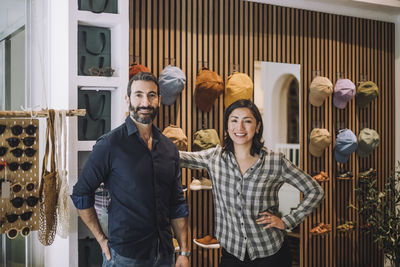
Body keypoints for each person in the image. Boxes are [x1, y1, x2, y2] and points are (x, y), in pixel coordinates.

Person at [180, 99, 324, 267]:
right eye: (234, 120)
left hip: (270, 252)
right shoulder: (214, 158)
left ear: (257, 127)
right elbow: (177, 157)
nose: (240, 128)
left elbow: (315, 191)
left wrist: (287, 221)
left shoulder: (275, 162)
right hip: (232, 253)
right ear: (227, 126)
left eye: (247, 121)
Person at [71, 72, 190, 267]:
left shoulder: (169, 149)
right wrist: (101, 240)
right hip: (125, 257)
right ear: (127, 99)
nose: (145, 102)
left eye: (151, 95)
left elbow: (177, 203)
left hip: (165, 254)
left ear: (159, 100)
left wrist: (184, 251)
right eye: (138, 95)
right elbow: (81, 194)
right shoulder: (110, 144)